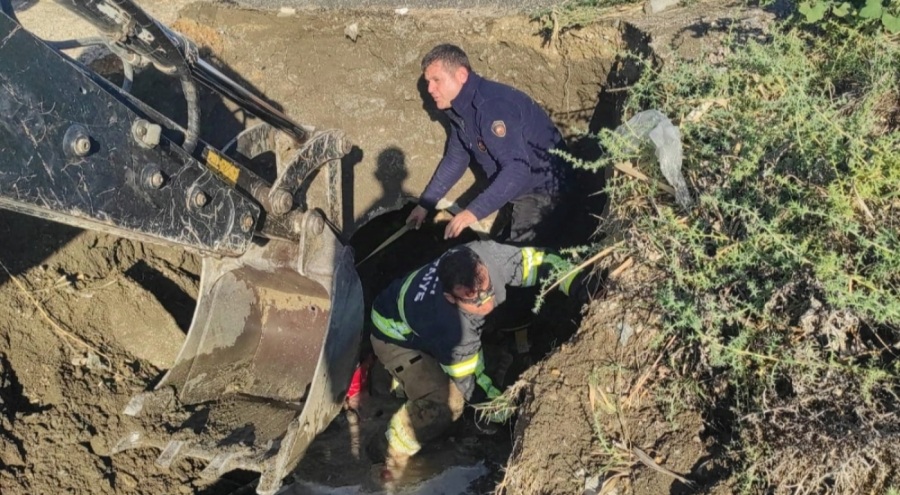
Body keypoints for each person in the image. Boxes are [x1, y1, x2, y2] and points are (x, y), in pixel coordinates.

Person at [367, 240, 596, 483]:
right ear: (451, 297)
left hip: (416, 317)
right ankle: (385, 449)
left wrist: (581, 283)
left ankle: (402, 382)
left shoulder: (489, 256)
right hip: (393, 337)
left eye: (487, 290)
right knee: (448, 404)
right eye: (474, 300)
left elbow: (541, 262)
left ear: (482, 267)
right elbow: (472, 382)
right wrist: (501, 411)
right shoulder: (450, 327)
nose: (486, 302)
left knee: (489, 350)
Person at [407, 44, 574, 246]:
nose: (430, 89)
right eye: (428, 82)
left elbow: (517, 169)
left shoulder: (490, 107)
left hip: (544, 191)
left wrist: (472, 213)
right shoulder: (460, 111)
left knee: (516, 262)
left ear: (461, 75)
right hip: (522, 190)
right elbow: (455, 160)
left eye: (436, 80)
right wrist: (425, 205)